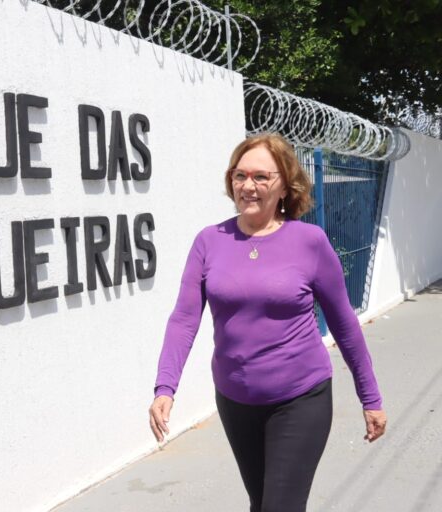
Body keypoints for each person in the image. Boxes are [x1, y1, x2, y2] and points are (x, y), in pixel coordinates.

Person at [148, 133, 387, 512]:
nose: (248, 186)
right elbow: (184, 318)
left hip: (300, 398)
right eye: (240, 175)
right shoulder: (209, 241)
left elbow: (344, 324)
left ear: (285, 185)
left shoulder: (310, 241)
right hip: (235, 399)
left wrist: (370, 397)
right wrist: (165, 386)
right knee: (261, 502)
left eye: (261, 177)